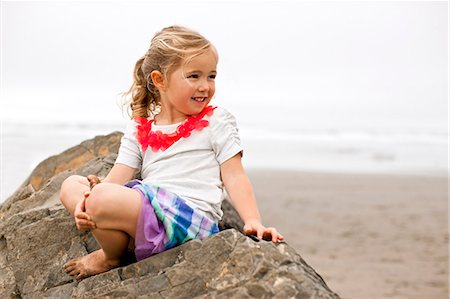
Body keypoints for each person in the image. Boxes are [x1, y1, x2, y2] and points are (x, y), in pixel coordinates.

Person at [60, 25, 284, 280]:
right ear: (159, 80)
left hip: (187, 221)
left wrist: (253, 220)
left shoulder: (216, 121)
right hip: (146, 213)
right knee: (71, 186)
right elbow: (116, 180)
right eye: (194, 76)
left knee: (99, 197)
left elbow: (234, 175)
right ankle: (117, 239)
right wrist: (83, 205)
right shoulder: (139, 128)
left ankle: (111, 256)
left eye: (211, 76)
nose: (205, 86)